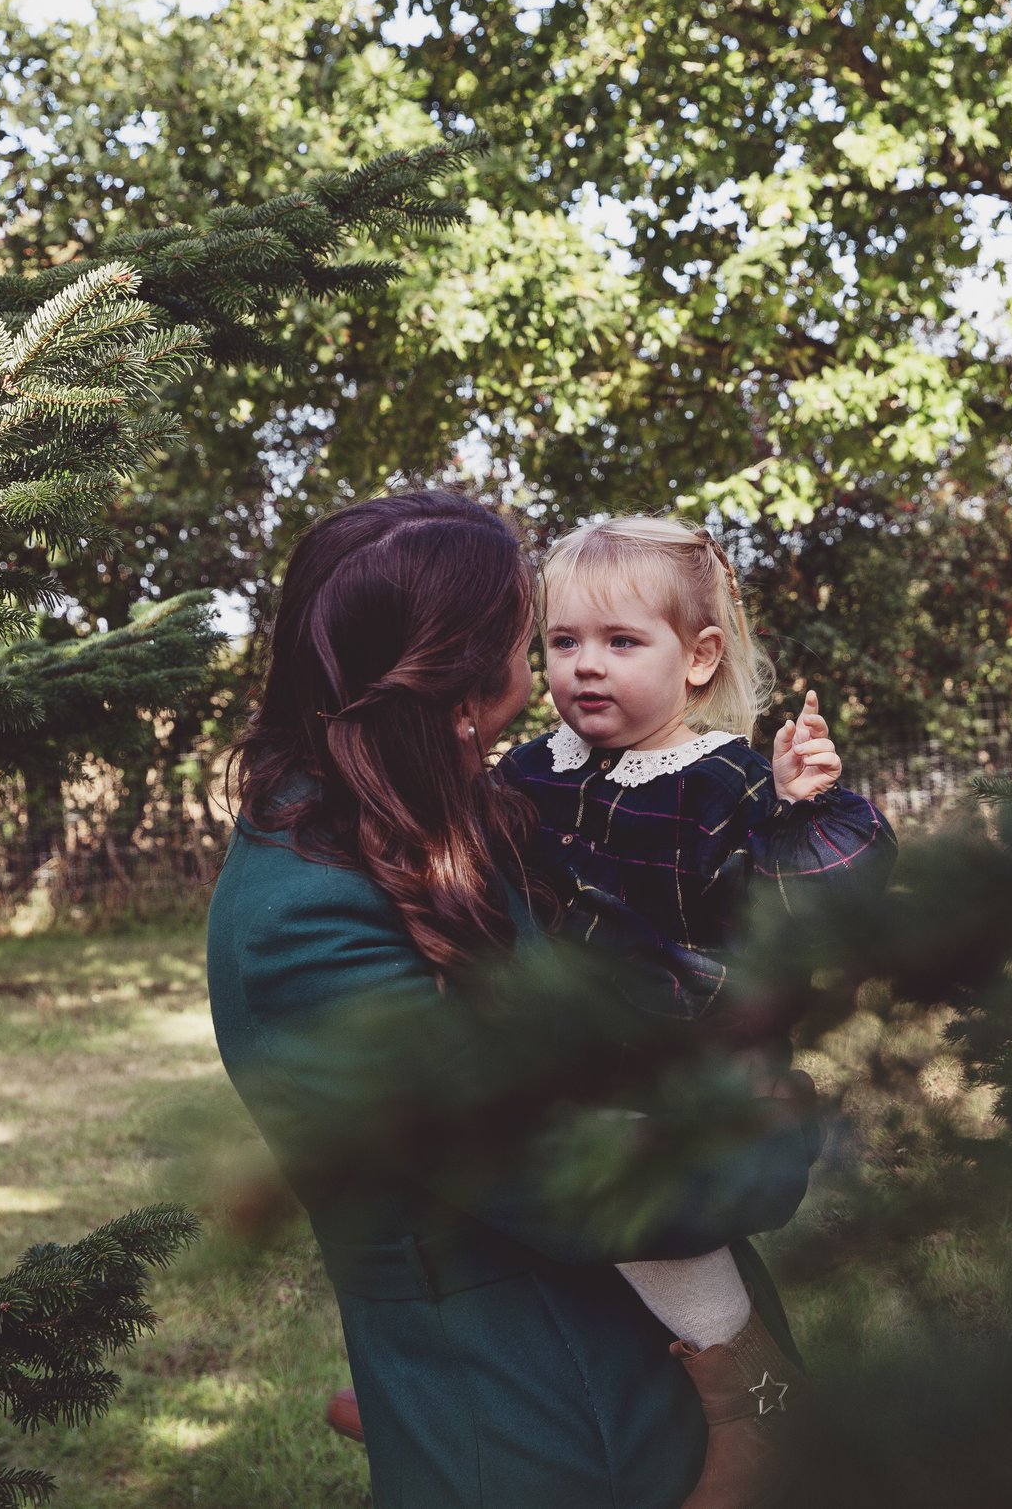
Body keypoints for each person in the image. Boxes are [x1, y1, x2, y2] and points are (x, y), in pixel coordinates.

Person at [207, 491, 822, 1509]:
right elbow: (549, 1171)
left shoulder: (421, 807)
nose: (547, 658)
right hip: (546, 1413)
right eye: (527, 630)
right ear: (456, 666)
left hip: (622, 1358)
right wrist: (772, 1136)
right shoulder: (305, 908)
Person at [499, 514, 897, 1507]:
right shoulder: (528, 773)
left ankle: (756, 1395)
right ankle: (476, 1381)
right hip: (561, 1047)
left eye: (622, 641)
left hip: (686, 1060)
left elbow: (815, 910)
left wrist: (803, 805)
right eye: (563, 641)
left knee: (628, 1197)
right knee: (460, 1161)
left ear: (697, 656)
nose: (585, 666)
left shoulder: (723, 779)